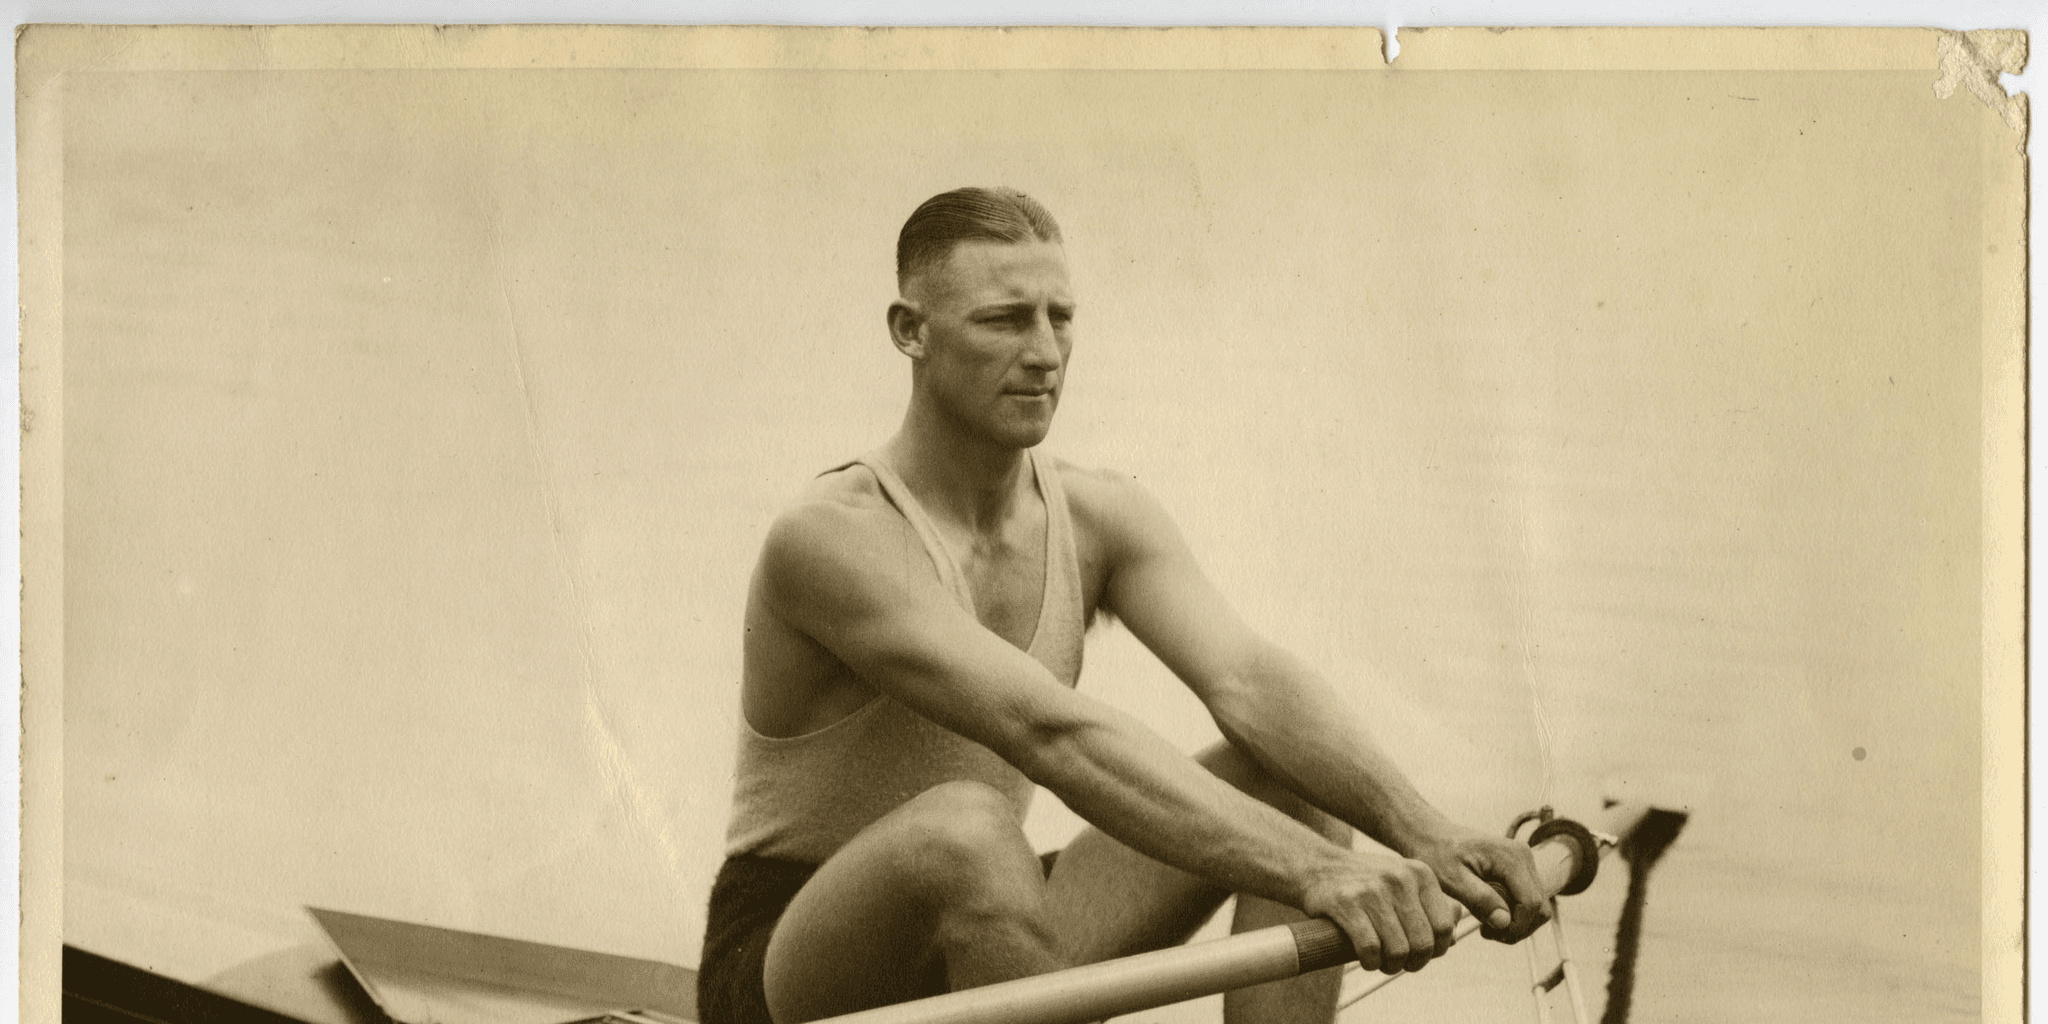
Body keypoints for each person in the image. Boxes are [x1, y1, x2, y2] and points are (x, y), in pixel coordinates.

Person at [700, 187, 1547, 1024]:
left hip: (992, 901)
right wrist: (1316, 873)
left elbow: (1249, 681)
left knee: (1293, 770)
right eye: (1003, 320)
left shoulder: (1100, 514)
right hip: (787, 968)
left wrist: (1428, 835)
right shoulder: (832, 540)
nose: (1044, 353)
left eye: (1059, 317)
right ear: (909, 331)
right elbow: (1048, 733)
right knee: (966, 829)